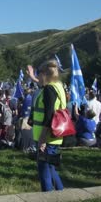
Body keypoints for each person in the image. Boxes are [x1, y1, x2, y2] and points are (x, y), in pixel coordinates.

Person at [31, 59, 64, 192]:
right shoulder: (58, 85)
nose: (38, 77)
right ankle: (61, 193)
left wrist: (42, 139)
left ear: (44, 74)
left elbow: (49, 115)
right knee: (50, 167)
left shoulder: (49, 90)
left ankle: (47, 196)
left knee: (43, 169)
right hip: (54, 136)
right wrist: (32, 77)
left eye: (39, 74)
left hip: (46, 137)